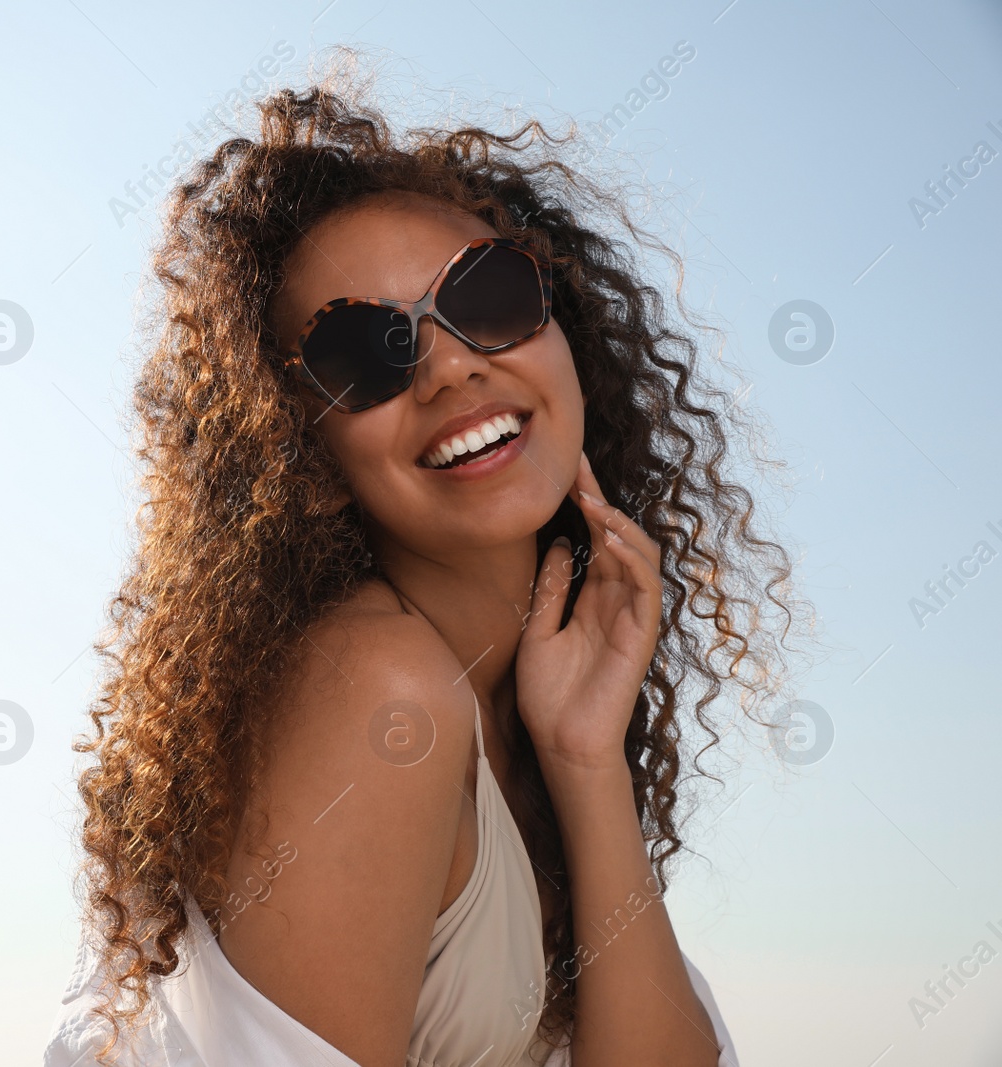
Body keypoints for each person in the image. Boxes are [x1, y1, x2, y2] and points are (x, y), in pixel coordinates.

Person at [46, 71, 804, 1067]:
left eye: (487, 296)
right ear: (302, 449)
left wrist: (585, 760)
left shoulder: (513, 717)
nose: (448, 367)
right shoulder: (376, 693)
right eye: (366, 353)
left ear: (562, 326)